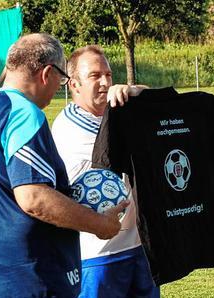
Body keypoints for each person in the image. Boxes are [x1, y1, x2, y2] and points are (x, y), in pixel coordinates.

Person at [0, 34, 127, 297]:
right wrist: (99, 224)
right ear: (47, 73)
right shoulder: (23, 114)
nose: (61, 85)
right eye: (61, 77)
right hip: (29, 273)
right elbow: (34, 197)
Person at [51, 45, 160, 298]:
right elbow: (128, 142)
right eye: (94, 76)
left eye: (108, 75)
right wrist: (134, 106)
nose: (105, 82)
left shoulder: (113, 116)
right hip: (99, 255)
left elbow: (158, 108)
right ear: (73, 85)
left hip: (140, 246)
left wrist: (134, 92)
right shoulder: (73, 126)